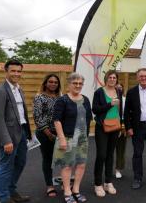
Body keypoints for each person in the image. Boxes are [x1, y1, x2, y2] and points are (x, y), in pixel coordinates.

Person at [0, 59, 32, 203]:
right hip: (8, 136)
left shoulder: (18, 89)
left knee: (20, 163)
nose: (16, 73)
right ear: (6, 71)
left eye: (19, 71)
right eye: (13, 71)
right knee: (6, 166)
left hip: (21, 133)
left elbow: (21, 113)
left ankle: (11, 191)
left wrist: (27, 133)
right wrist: (6, 140)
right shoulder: (0, 91)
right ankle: (3, 198)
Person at [52, 73, 92, 203]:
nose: (78, 86)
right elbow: (57, 120)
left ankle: (76, 190)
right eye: (75, 83)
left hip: (82, 139)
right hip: (68, 138)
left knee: (81, 165)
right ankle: (67, 192)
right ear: (69, 84)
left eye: (80, 83)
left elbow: (88, 118)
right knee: (67, 166)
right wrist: (62, 138)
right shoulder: (62, 100)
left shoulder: (85, 99)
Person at [92, 70, 123, 197]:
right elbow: (95, 109)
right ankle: (98, 184)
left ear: (116, 79)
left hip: (115, 126)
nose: (112, 79)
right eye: (110, 77)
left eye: (114, 77)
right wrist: (109, 104)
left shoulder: (119, 92)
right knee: (101, 155)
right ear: (106, 79)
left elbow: (120, 110)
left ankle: (108, 182)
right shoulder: (99, 92)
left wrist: (121, 125)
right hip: (102, 127)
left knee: (110, 155)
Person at [33, 74, 62, 198]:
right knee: (48, 159)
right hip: (45, 133)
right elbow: (37, 117)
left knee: (62, 159)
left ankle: (63, 182)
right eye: (50, 82)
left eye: (55, 82)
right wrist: (48, 133)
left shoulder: (61, 97)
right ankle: (50, 185)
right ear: (45, 83)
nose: (53, 84)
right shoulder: (39, 97)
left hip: (60, 132)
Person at [114, 83, 127, 179]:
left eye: (120, 87)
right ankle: (107, 168)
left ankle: (118, 169)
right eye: (117, 87)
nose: (119, 88)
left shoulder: (125, 99)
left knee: (121, 148)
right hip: (111, 123)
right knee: (109, 149)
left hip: (122, 124)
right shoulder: (111, 99)